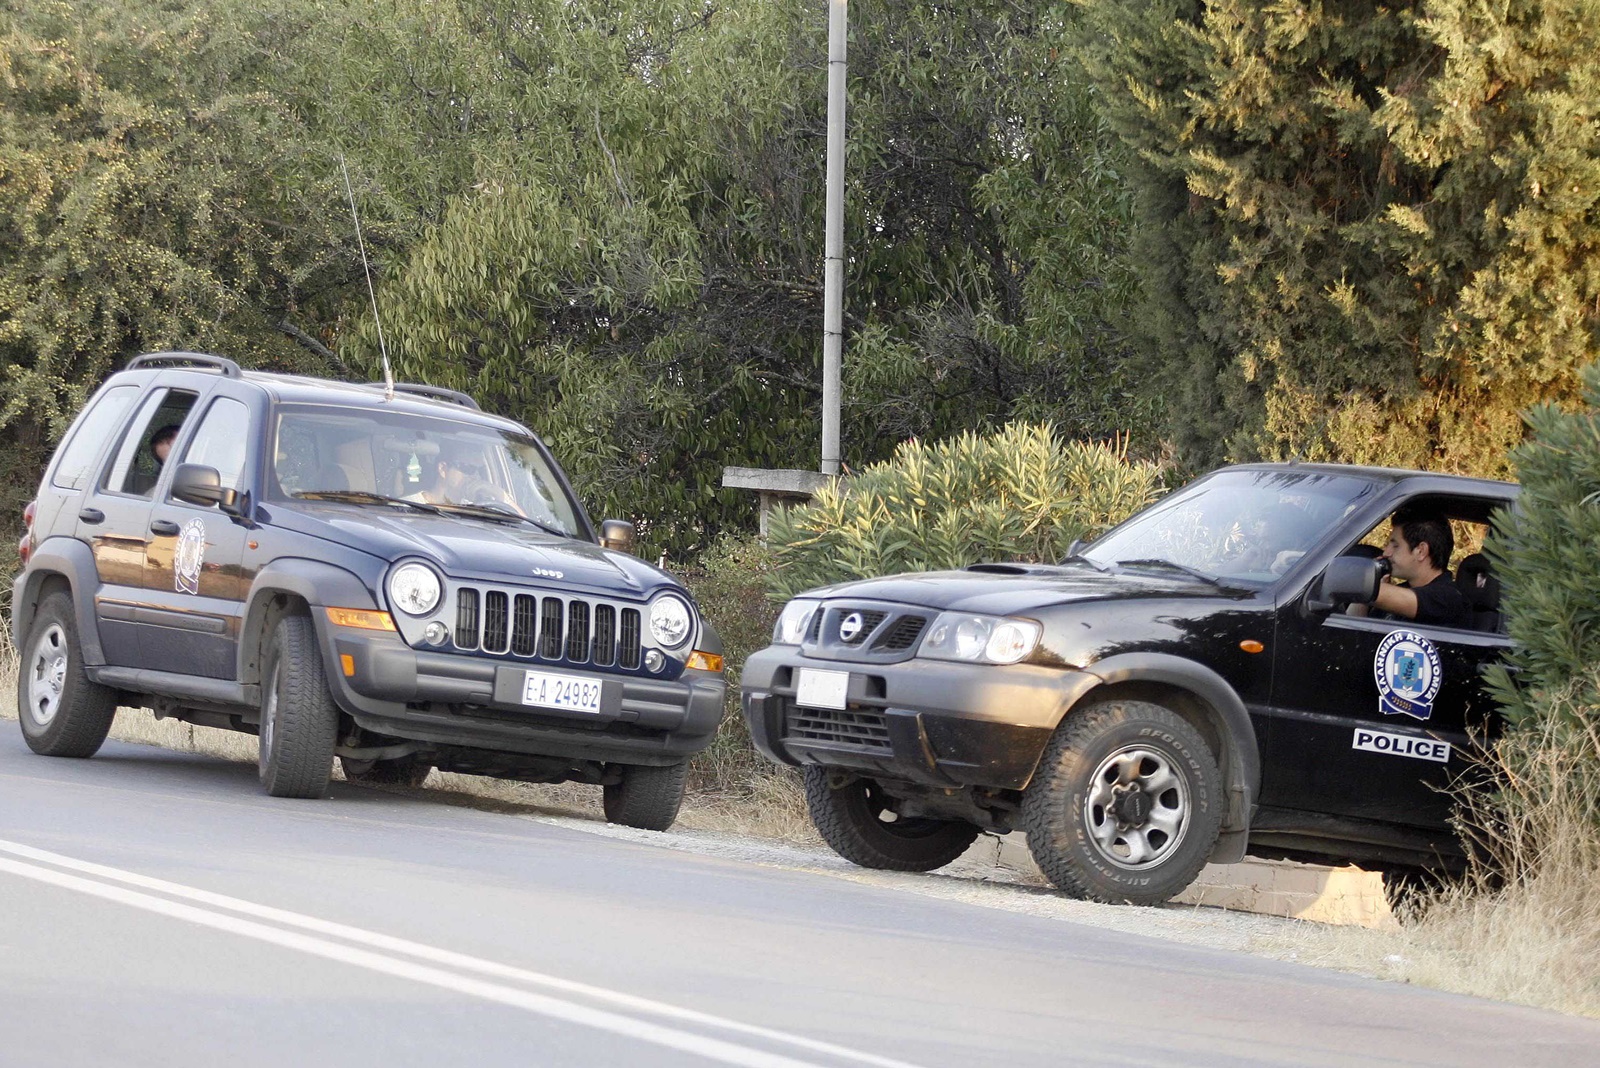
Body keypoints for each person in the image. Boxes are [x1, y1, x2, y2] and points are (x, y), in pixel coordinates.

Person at [1362, 510, 1470, 628]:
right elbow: (1356, 627)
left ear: (1421, 551)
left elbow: (1368, 591)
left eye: (1395, 546)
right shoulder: (1403, 589)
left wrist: (1360, 581)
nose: (1386, 553)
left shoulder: (1448, 598)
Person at [407, 443, 515, 509]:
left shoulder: (477, 510)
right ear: (443, 469)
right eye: (468, 468)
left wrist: (498, 493)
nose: (475, 475)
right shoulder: (407, 507)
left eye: (480, 470)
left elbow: (525, 528)